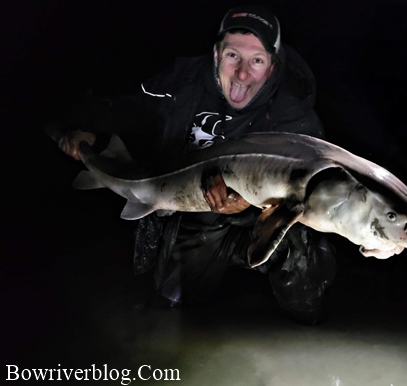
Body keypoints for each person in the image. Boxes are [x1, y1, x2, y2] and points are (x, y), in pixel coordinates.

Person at [51, 4, 336, 324]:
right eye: (232, 56)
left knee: (304, 244)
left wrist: (251, 202)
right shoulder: (181, 83)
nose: (243, 73)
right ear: (216, 55)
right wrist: (82, 128)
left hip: (267, 221)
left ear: (271, 67)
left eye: (256, 60)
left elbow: (317, 186)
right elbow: (127, 110)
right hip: (194, 218)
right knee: (168, 309)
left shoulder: (294, 113)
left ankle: (309, 329)